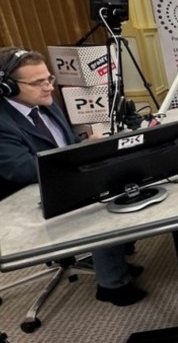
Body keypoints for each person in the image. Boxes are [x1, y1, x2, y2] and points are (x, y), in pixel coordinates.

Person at [0, 47, 146, 306]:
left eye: (49, 78)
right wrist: (80, 157)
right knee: (99, 201)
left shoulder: (44, 103)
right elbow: (22, 168)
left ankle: (113, 255)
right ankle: (112, 285)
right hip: (23, 200)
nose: (49, 87)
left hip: (60, 178)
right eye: (38, 82)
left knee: (125, 176)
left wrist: (86, 145)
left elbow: (64, 143)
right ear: (7, 88)